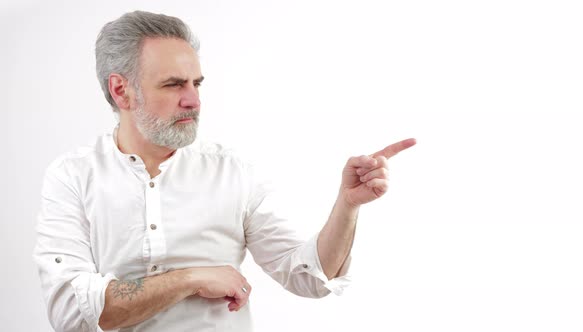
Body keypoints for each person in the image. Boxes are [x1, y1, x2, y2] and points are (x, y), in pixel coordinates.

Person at [33, 10, 416, 332]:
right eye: (173, 84)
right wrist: (190, 277)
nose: (193, 100)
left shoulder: (233, 173)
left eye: (196, 83)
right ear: (121, 91)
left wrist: (347, 206)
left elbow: (310, 277)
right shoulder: (72, 176)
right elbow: (71, 311)